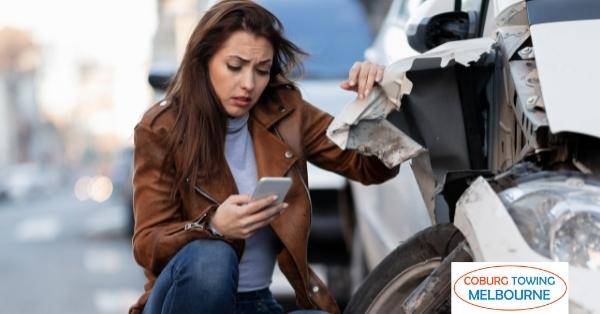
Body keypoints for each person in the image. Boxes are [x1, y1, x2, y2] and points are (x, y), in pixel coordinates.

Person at [130, 1, 399, 313]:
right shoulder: (162, 128)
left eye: (261, 70)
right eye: (234, 66)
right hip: (182, 302)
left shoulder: (286, 112)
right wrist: (214, 227)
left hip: (257, 303)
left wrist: (374, 104)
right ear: (203, 62)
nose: (248, 84)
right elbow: (147, 244)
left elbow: (371, 169)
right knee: (212, 259)